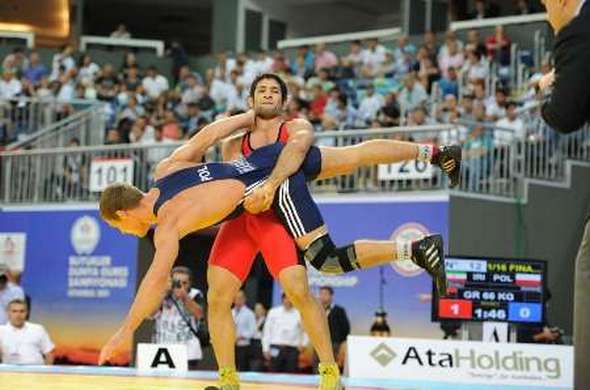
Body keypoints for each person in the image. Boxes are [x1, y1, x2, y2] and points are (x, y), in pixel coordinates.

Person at [97, 76, 460, 387]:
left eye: (119, 226)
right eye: (261, 93)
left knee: (322, 264)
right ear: (252, 100)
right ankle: (228, 380)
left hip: (274, 189)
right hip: (245, 214)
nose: (126, 232)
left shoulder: (168, 225)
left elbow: (154, 281)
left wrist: (124, 332)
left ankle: (332, 369)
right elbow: (207, 135)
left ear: (124, 211)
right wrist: (244, 120)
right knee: (218, 296)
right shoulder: (167, 168)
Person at [537, 0, 590, 133]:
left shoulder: (576, 33)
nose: (548, 17)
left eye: (546, 5)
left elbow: (563, 118)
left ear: (561, 2)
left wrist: (546, 88)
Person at [151, 266, 204, 369]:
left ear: (190, 283)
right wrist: (162, 294)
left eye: (184, 283)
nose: (180, 286)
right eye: (177, 282)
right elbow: (150, 314)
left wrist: (184, 296)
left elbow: (199, 314)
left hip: (188, 351)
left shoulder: (195, 294)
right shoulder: (162, 293)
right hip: (163, 348)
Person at [262, 294, 307, 373]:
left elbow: (305, 330)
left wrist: (303, 344)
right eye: (286, 299)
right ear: (282, 299)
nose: (288, 301)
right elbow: (267, 331)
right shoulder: (273, 312)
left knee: (291, 374)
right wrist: (265, 348)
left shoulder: (299, 313)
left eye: (290, 299)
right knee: (273, 373)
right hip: (275, 347)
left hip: (292, 349)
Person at [0, 299, 55, 364]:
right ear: (8, 313)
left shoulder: (38, 329)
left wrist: (47, 372)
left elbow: (49, 353)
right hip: (10, 372)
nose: (18, 315)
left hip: (36, 371)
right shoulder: (1, 331)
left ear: (27, 313)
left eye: (22, 311)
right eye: (14, 311)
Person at [317, 287, 349, 369]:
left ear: (331, 296)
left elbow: (346, 328)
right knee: (317, 367)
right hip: (318, 343)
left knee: (332, 367)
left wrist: (342, 343)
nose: (322, 296)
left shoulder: (339, 310)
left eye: (325, 294)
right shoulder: (316, 309)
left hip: (335, 344)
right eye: (321, 294)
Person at [232, 290, 256, 371]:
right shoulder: (229, 312)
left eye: (240, 298)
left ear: (244, 299)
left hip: (243, 346)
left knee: (243, 369)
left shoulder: (249, 313)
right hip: (230, 346)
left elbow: (252, 331)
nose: (238, 300)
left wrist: (240, 337)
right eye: (236, 298)